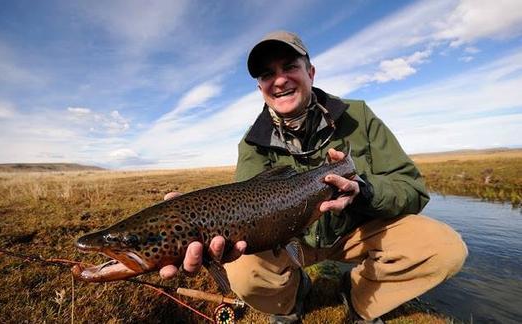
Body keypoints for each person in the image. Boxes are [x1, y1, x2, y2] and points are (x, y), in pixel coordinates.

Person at [160, 31, 468, 323]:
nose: (279, 80)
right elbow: (243, 212)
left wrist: (365, 192)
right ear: (260, 89)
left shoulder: (358, 116)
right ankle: (290, 302)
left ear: (311, 73)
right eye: (267, 74)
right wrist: (197, 216)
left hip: (353, 230)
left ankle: (358, 296)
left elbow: (412, 189)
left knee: (444, 249)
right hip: (290, 239)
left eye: (290, 67)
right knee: (244, 272)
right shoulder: (252, 143)